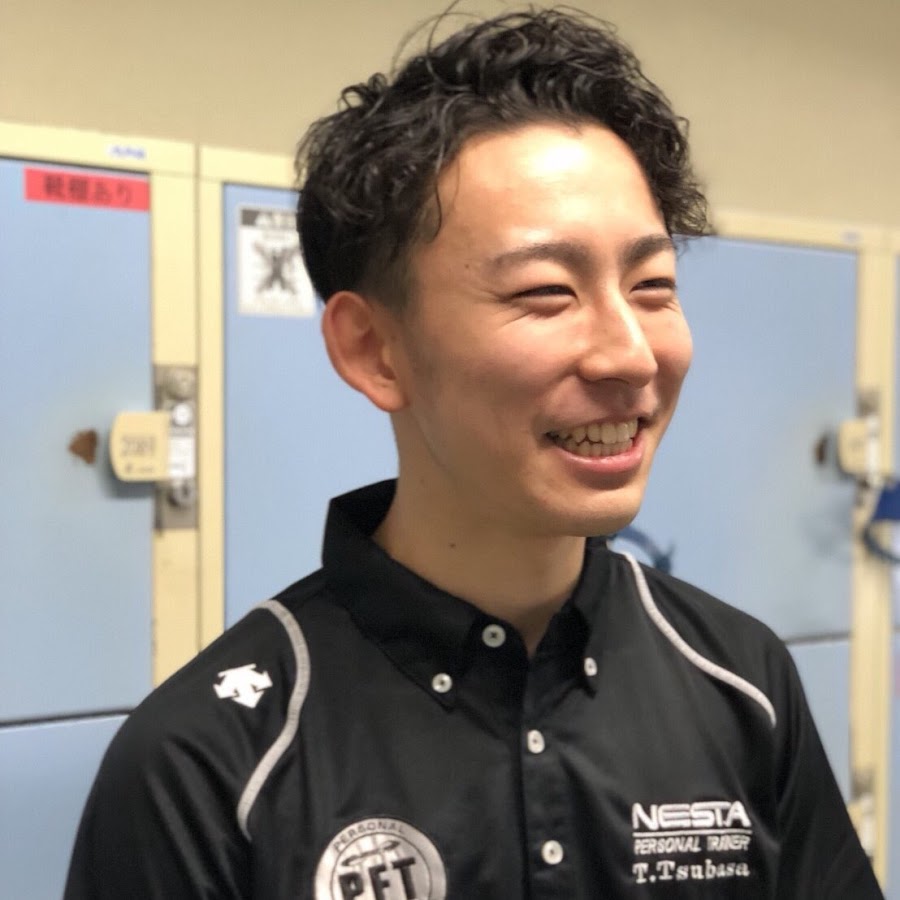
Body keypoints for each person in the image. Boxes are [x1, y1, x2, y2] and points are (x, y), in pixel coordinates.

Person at [65, 8, 883, 899]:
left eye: (653, 285)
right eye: (547, 291)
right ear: (375, 351)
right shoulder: (209, 760)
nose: (631, 355)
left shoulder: (741, 678)